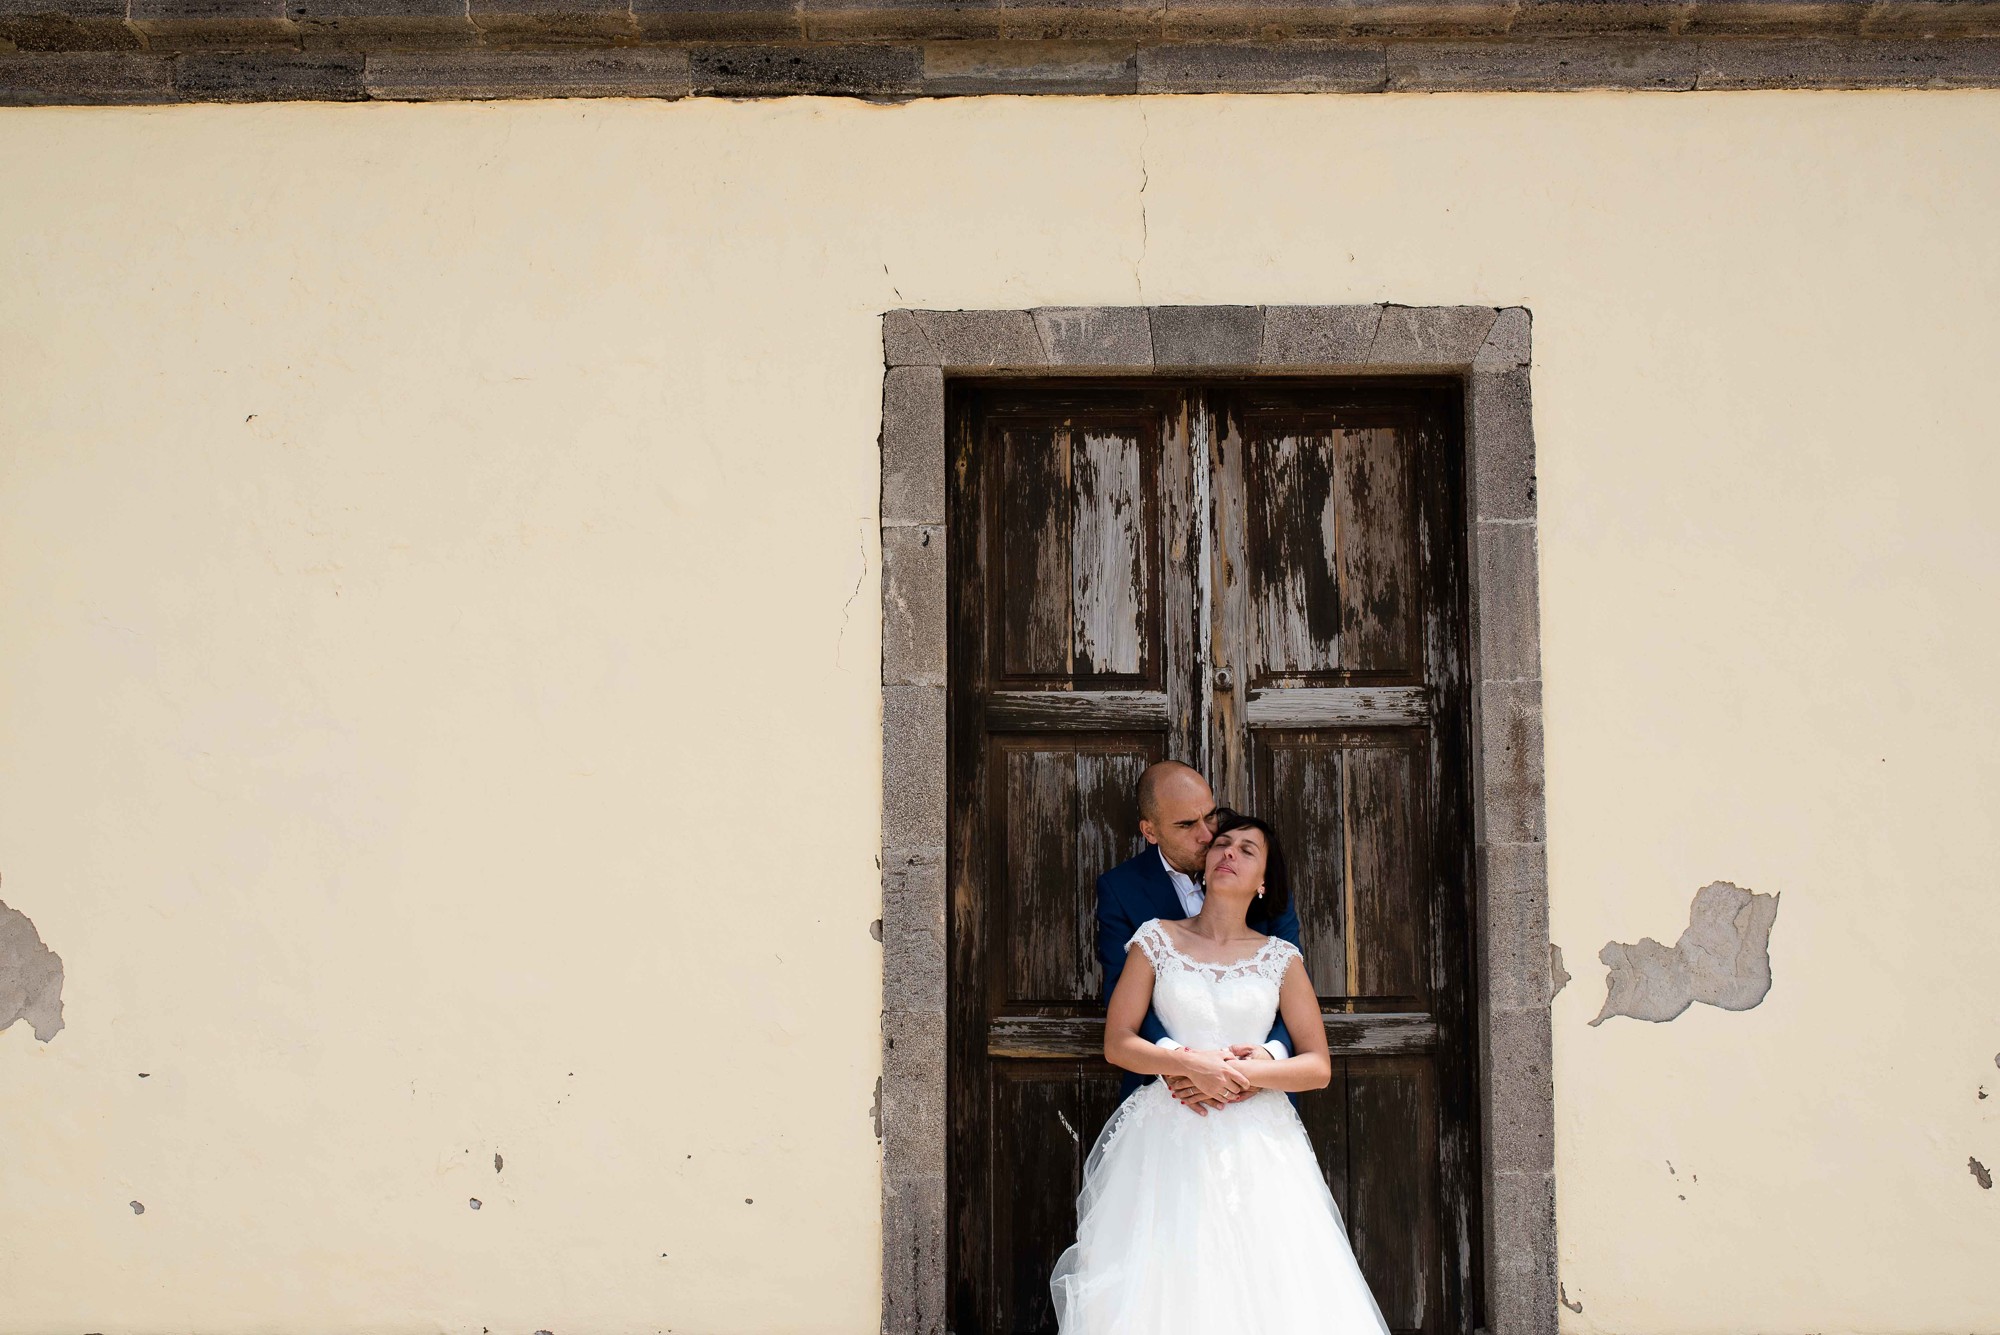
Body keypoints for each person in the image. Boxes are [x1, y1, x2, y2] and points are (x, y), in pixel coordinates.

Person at [1052, 812, 1393, 1335]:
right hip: (1166, 1136)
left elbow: (1318, 1065)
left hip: (1259, 1143)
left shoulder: (1280, 958)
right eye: (1222, 845)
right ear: (1205, 866)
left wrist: (1254, 1074)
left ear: (1262, 884)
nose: (1229, 853)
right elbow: (1118, 1042)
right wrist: (1187, 1064)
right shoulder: (1154, 940)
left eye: (1247, 850)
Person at [1093, 761, 1302, 1112]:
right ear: (1150, 831)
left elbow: (1290, 984)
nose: (1208, 836)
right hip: (1167, 1095)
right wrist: (1181, 1063)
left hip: (1258, 1096)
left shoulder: (1252, 867)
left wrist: (1268, 1056)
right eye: (1187, 825)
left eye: (1210, 815)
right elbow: (1122, 996)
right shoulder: (1121, 890)